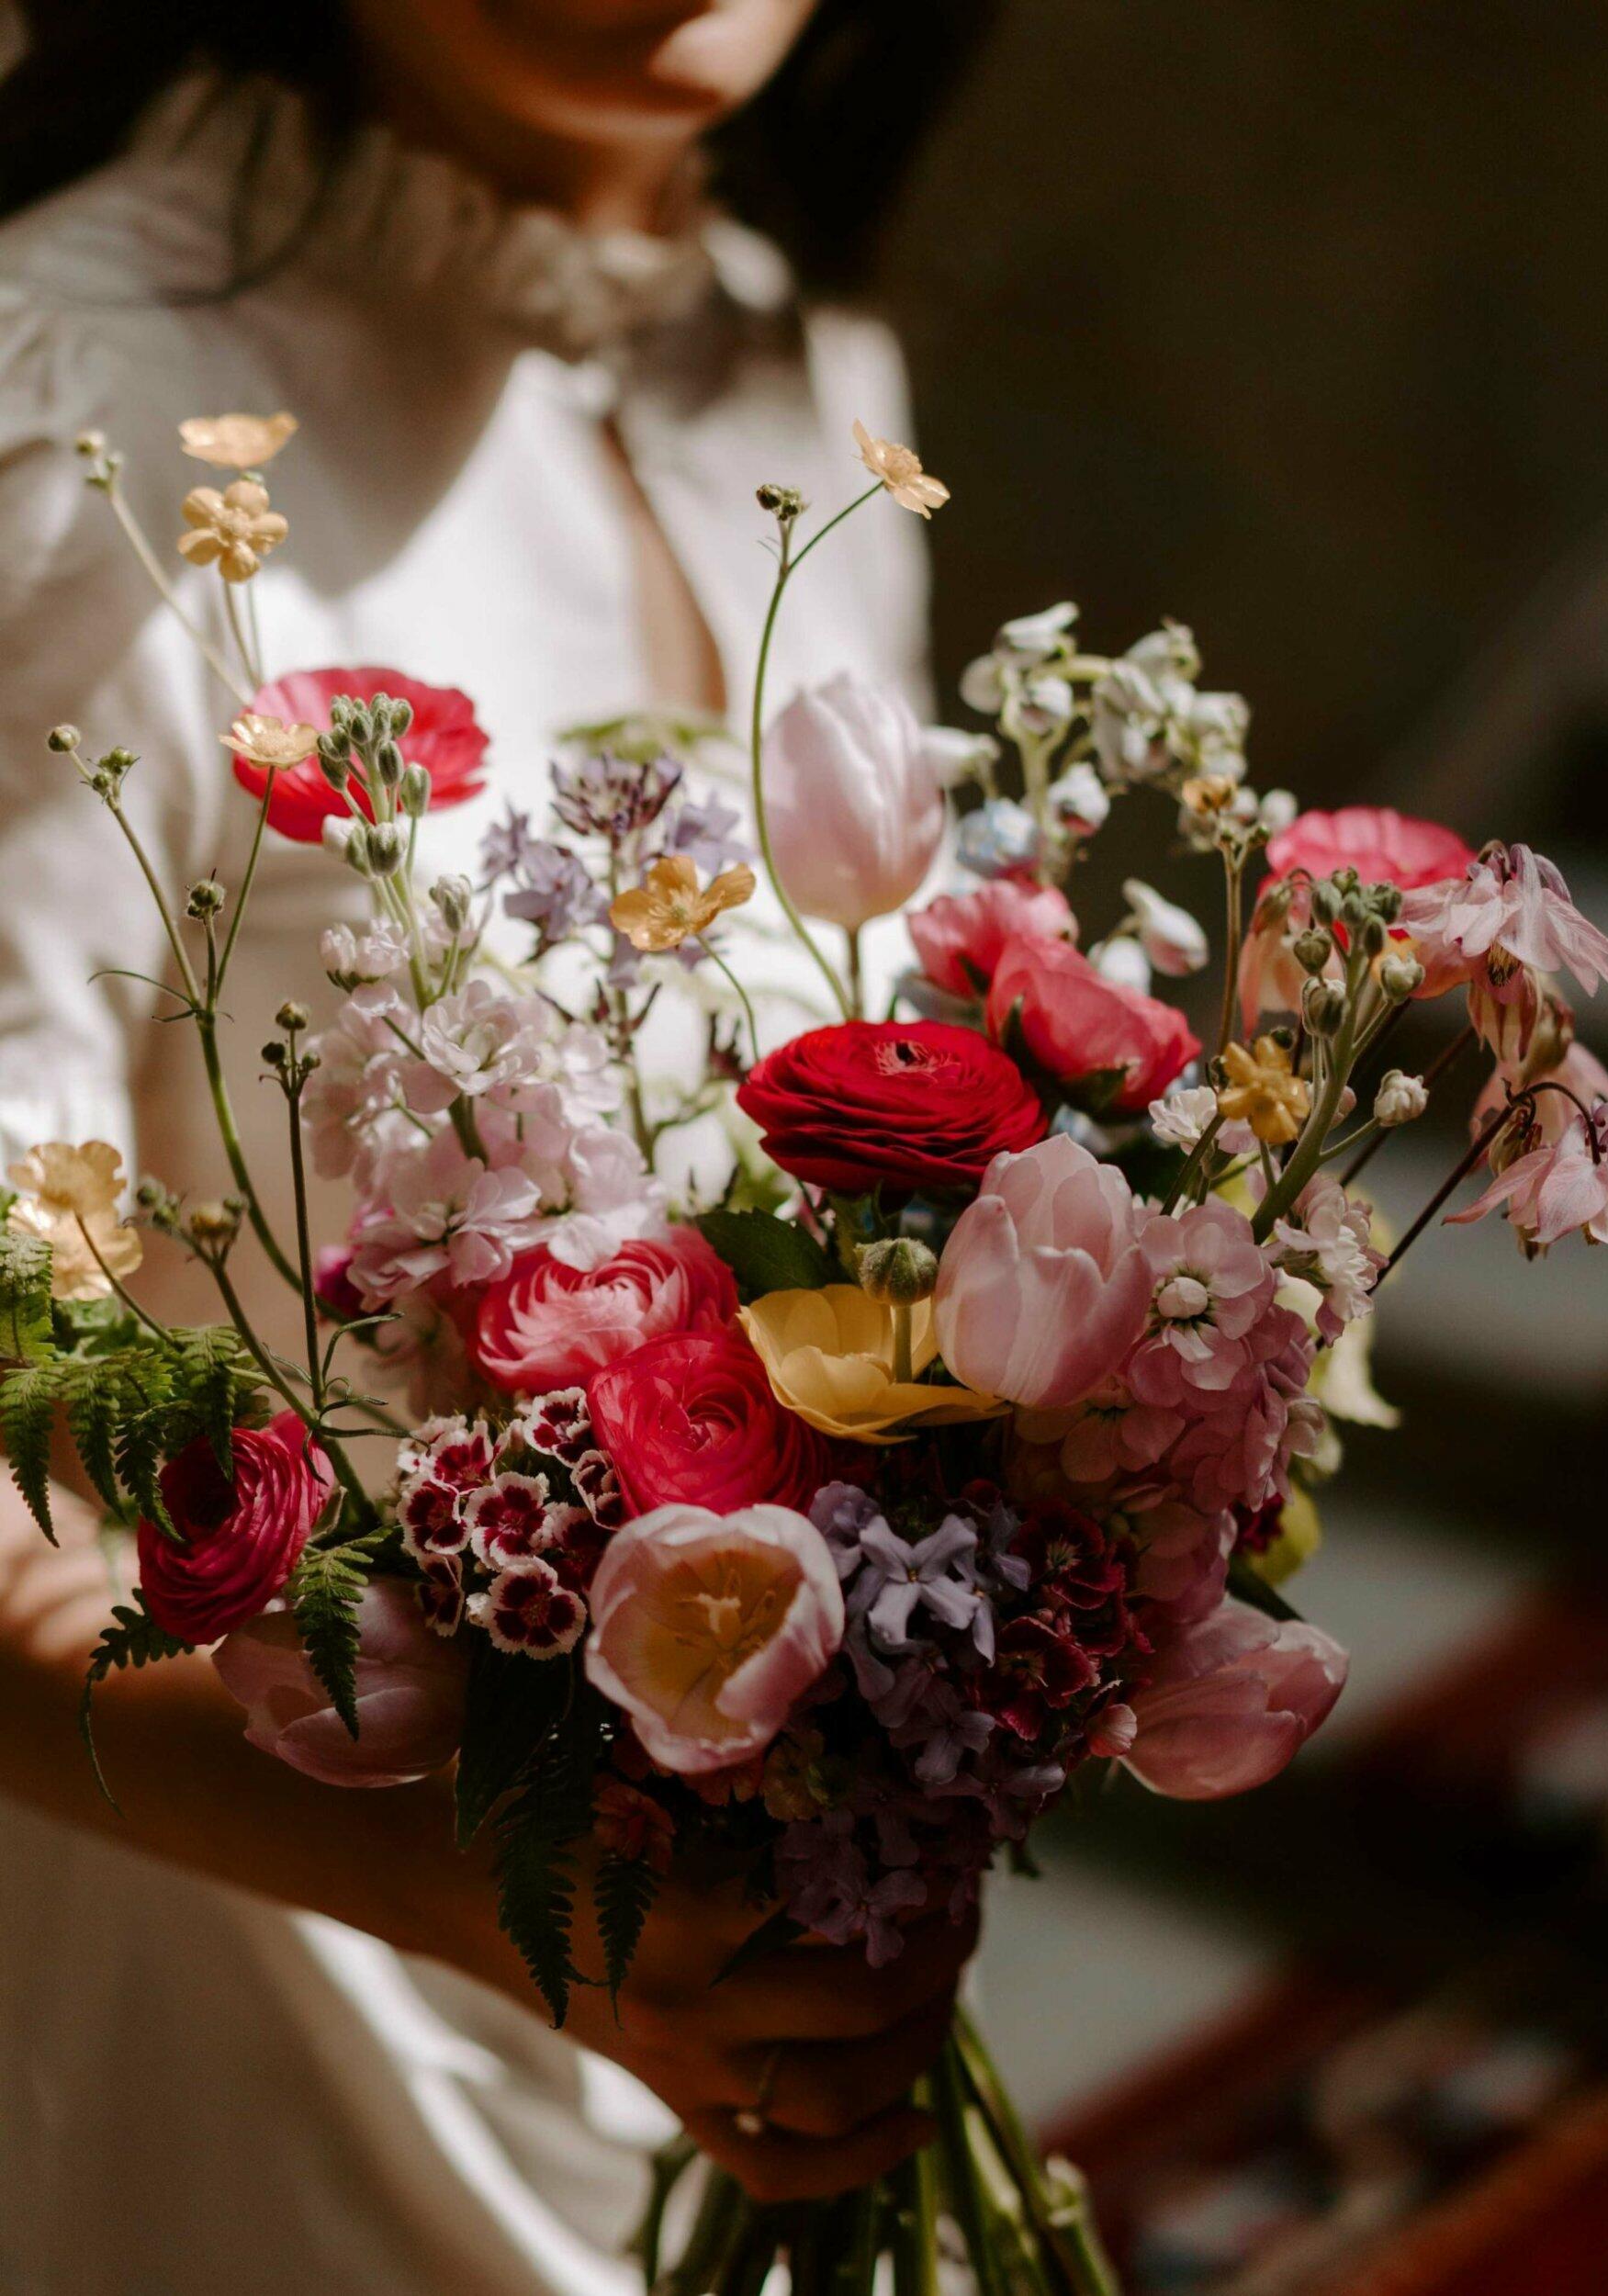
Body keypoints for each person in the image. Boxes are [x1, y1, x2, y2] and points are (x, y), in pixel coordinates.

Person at [0, 5, 994, 2289]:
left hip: (758, 1948)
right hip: (288, 2000)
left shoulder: (789, 351)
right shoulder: (65, 395)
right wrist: (484, 1880)